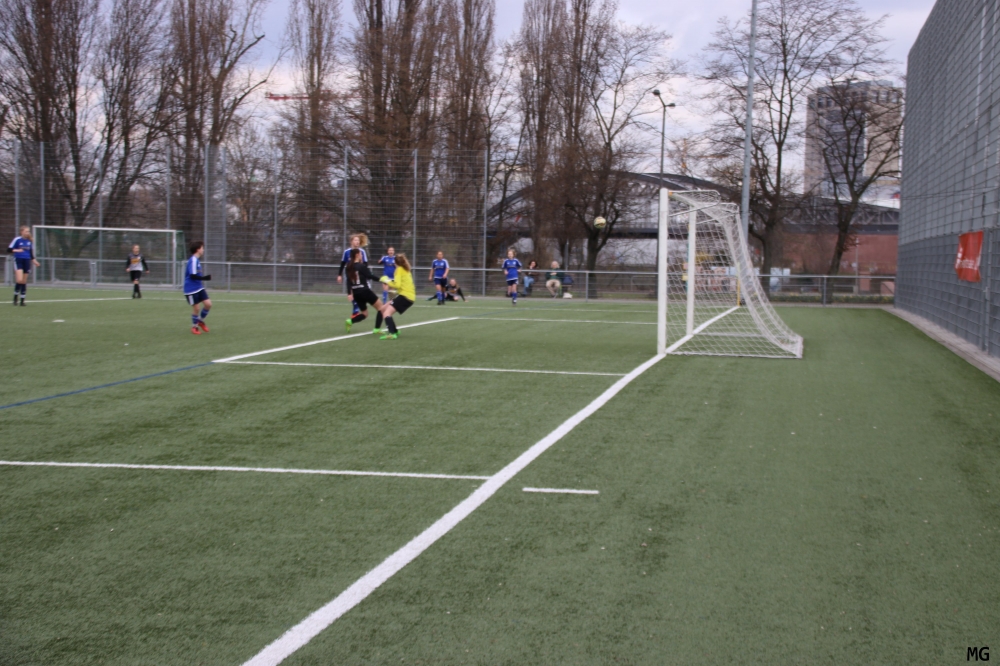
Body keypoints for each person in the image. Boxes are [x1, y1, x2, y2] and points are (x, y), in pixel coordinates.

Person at [376, 253, 415, 339]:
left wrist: (386, 280)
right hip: (408, 296)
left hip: (405, 296)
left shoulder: (399, 269)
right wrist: (394, 290)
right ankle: (395, 331)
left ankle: (392, 333)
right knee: (383, 309)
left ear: (395, 262)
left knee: (386, 313)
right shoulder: (406, 269)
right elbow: (403, 285)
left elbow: (397, 285)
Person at [344, 248, 383, 332]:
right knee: (381, 308)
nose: (362, 255)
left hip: (356, 294)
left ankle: (350, 321)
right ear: (357, 255)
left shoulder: (348, 267)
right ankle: (377, 329)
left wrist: (349, 293)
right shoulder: (361, 266)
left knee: (365, 314)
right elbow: (370, 276)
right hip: (364, 291)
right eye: (361, 254)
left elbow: (348, 281)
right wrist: (382, 280)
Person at [184, 241, 212, 335]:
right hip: (190, 289)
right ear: (198, 249)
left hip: (199, 287)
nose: (203, 250)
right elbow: (192, 275)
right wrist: (205, 278)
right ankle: (194, 327)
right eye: (202, 248)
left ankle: (200, 321)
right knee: (197, 308)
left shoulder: (197, 260)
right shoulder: (193, 260)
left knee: (208, 304)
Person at [337, 234, 369, 315]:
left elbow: (365, 263)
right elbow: (343, 263)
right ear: (351, 242)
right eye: (355, 240)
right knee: (351, 291)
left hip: (359, 275)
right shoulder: (347, 252)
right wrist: (339, 275)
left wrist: (364, 272)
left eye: (358, 240)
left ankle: (357, 307)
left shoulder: (362, 252)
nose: (357, 242)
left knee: (359, 291)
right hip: (350, 274)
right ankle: (355, 308)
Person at [8, 226, 39, 306]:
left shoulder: (29, 241)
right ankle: (15, 297)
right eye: (26, 231)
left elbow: (31, 255)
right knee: (19, 280)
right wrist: (17, 250)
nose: (27, 233)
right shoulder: (17, 239)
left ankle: (22, 300)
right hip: (18, 260)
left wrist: (35, 262)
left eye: (28, 231)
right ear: (21, 232)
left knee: (24, 281)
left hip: (26, 261)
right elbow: (9, 249)